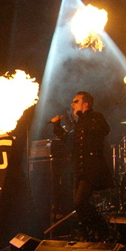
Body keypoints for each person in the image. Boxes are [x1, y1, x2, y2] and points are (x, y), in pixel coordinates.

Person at [52, 91, 112, 239]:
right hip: (79, 169)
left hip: (92, 168)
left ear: (86, 104)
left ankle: (104, 229)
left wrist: (83, 116)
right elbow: (68, 140)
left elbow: (105, 130)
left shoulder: (95, 117)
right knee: (78, 205)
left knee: (80, 202)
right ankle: (88, 233)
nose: (72, 104)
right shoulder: (79, 123)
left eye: (76, 101)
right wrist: (57, 125)